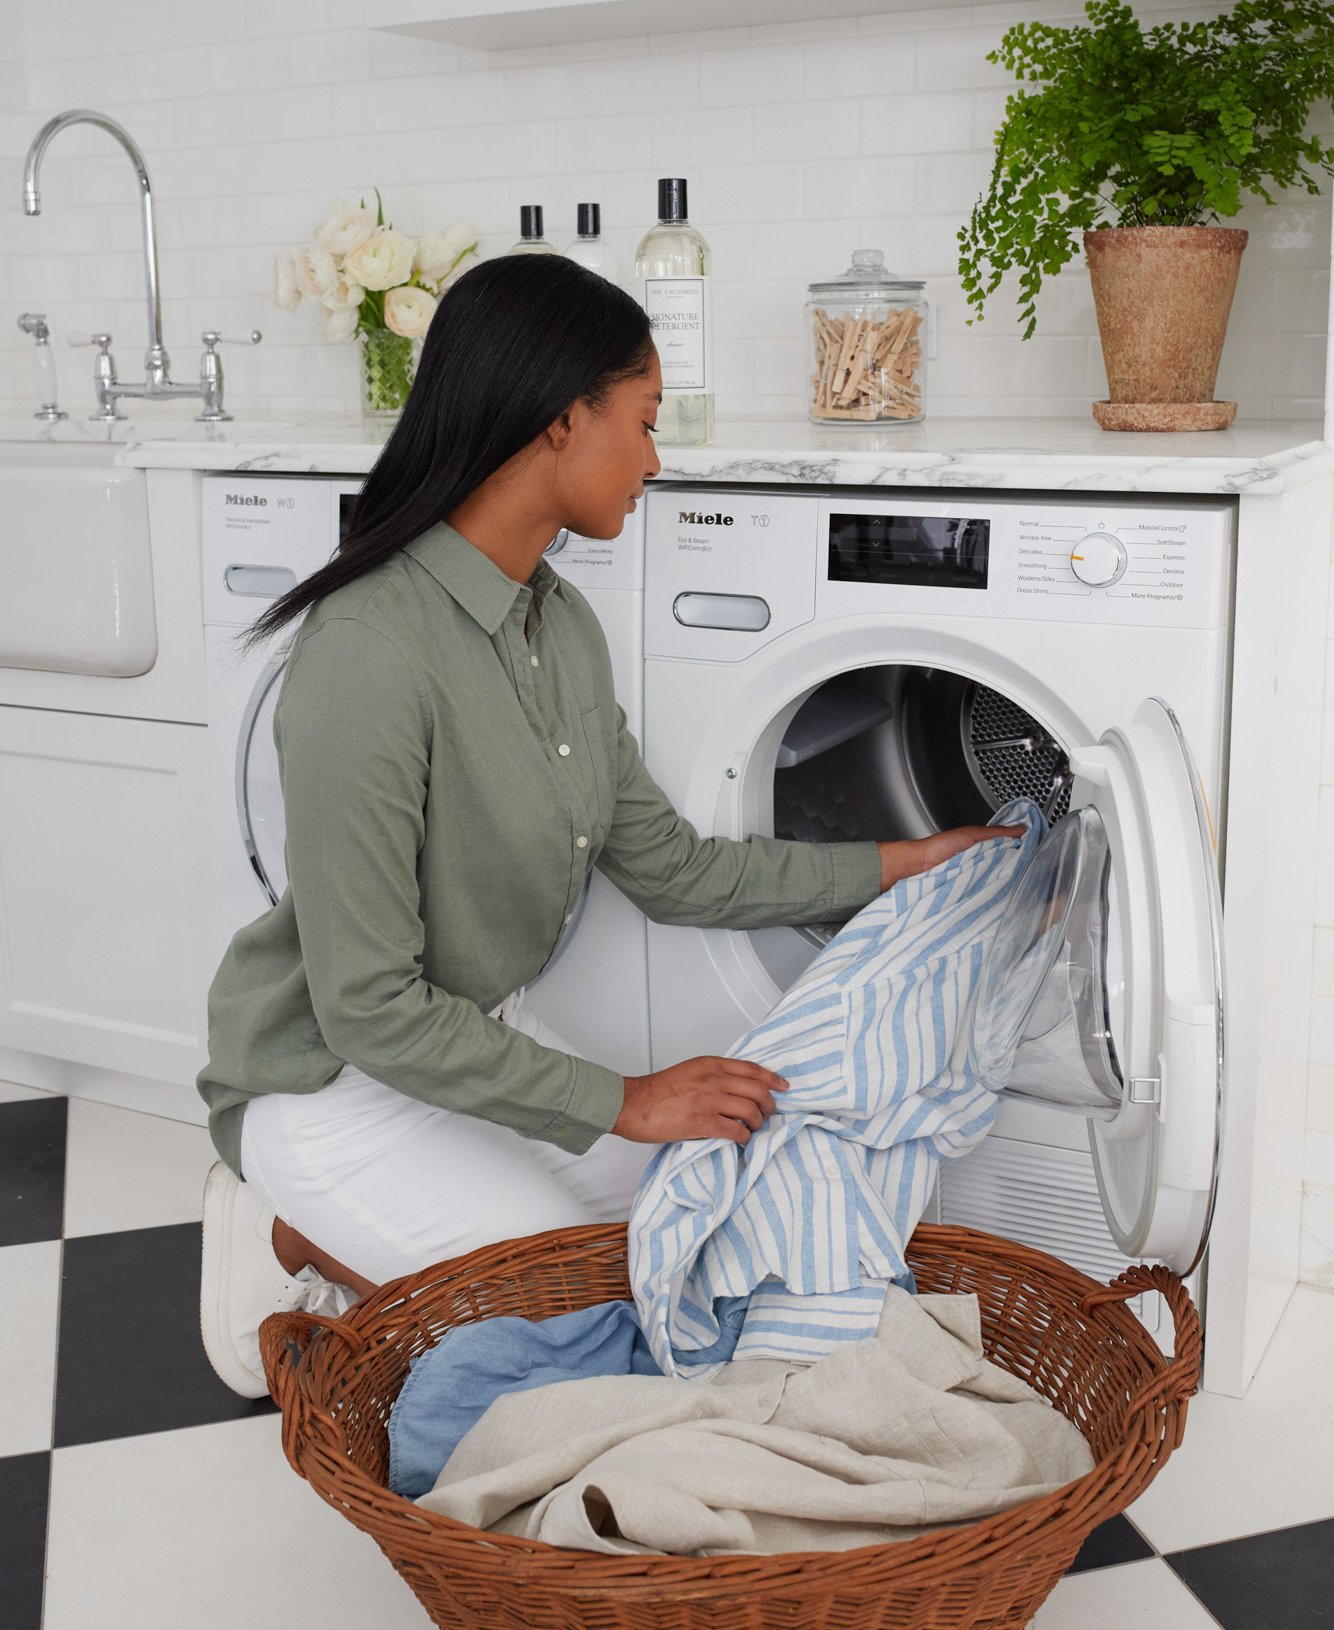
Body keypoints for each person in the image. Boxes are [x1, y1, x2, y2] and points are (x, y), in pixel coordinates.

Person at [198, 255, 1015, 1398]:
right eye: (640, 420)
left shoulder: (558, 622)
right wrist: (629, 1099)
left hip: (474, 1047)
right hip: (332, 1083)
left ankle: (374, 1251)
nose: (654, 457)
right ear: (559, 418)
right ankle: (287, 1228)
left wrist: (911, 860)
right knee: (584, 1315)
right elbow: (369, 1007)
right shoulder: (368, 651)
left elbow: (672, 867)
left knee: (705, 1219)